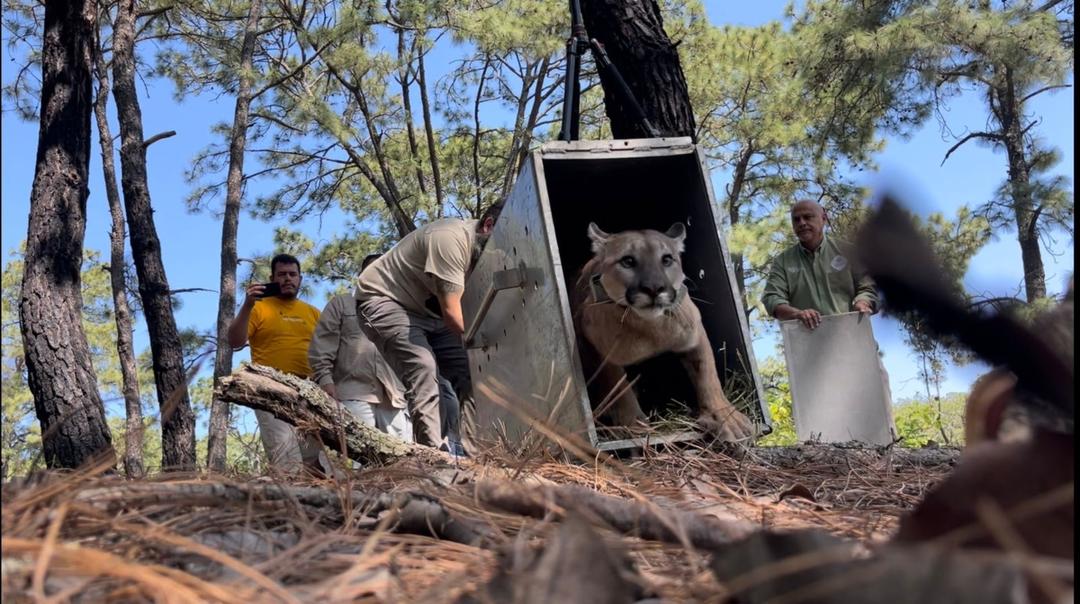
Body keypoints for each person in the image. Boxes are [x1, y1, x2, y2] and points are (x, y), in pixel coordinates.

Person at [354, 202, 504, 455]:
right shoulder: (449, 238)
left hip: (428, 311)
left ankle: (476, 454)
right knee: (422, 366)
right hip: (384, 299)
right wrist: (492, 346)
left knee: (471, 371)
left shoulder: (488, 250)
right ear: (488, 225)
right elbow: (454, 316)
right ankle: (431, 456)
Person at [762, 199, 894, 423]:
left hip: (855, 345)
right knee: (824, 423)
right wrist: (797, 313)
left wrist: (863, 302)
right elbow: (772, 299)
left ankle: (887, 452)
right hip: (812, 354)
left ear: (824, 218)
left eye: (808, 217)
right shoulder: (783, 262)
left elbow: (868, 287)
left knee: (876, 415)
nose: (802, 223)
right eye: (796, 219)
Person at [227, 253, 324, 474]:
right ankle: (289, 504)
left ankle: (320, 505)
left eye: (292, 274)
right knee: (286, 459)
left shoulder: (313, 313)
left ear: (300, 278)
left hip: (310, 392)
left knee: (317, 461)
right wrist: (247, 305)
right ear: (272, 278)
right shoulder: (259, 307)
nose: (287, 279)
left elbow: (327, 352)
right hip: (271, 390)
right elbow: (234, 341)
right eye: (281, 274)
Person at [308, 254, 412, 441]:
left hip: (396, 398)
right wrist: (325, 380)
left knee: (403, 464)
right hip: (352, 394)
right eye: (373, 271)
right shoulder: (342, 303)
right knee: (357, 463)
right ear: (361, 276)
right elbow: (322, 345)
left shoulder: (403, 308)